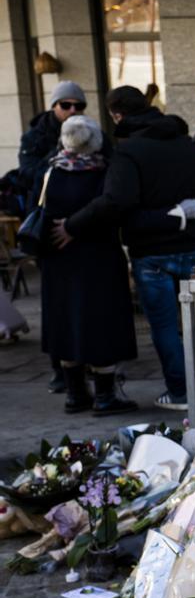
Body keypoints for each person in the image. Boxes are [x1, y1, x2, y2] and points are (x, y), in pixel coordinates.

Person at [51, 86, 195, 410]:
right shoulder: (189, 147)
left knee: (166, 325)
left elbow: (118, 200)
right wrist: (191, 225)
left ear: (117, 114)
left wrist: (72, 225)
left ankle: (181, 392)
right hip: (190, 246)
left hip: (151, 250)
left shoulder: (128, 152)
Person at [39, 115, 138, 416]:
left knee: (66, 324)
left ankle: (75, 393)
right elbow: (112, 211)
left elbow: (40, 211)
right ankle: (105, 396)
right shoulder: (105, 171)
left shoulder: (52, 171)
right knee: (101, 324)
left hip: (59, 259)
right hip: (99, 259)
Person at [17, 80, 90, 395]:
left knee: (85, 303)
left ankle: (87, 366)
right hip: (50, 232)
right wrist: (61, 152)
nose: (72, 111)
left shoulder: (89, 131)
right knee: (56, 305)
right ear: (54, 106)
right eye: (66, 105)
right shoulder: (36, 136)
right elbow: (27, 174)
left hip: (82, 233)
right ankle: (60, 370)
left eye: (79, 106)